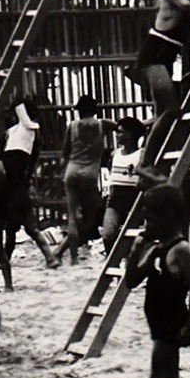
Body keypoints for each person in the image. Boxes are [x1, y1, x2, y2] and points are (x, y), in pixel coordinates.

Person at [124, 186, 190, 378]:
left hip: (171, 322)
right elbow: (131, 281)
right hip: (159, 323)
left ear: (170, 217)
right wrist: (134, 252)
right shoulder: (159, 249)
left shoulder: (181, 250)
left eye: (151, 220)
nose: (148, 226)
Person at [0, 97, 56, 291]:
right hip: (12, 179)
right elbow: (19, 159)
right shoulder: (12, 133)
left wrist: (16, 101)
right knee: (13, 228)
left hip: (11, 177)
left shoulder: (30, 129)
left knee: (12, 229)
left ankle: (7, 276)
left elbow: (4, 155)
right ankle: (8, 277)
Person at [48, 96, 111, 267]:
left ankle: (71, 258)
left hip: (72, 171)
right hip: (89, 175)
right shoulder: (102, 124)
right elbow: (123, 127)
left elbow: (64, 154)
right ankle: (61, 252)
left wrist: (59, 174)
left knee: (72, 218)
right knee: (89, 219)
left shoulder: (72, 126)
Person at [100, 118, 147, 253]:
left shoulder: (141, 154)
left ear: (130, 134)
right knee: (108, 235)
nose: (117, 135)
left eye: (120, 132)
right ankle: (111, 260)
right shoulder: (114, 153)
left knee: (132, 236)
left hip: (133, 200)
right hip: (115, 200)